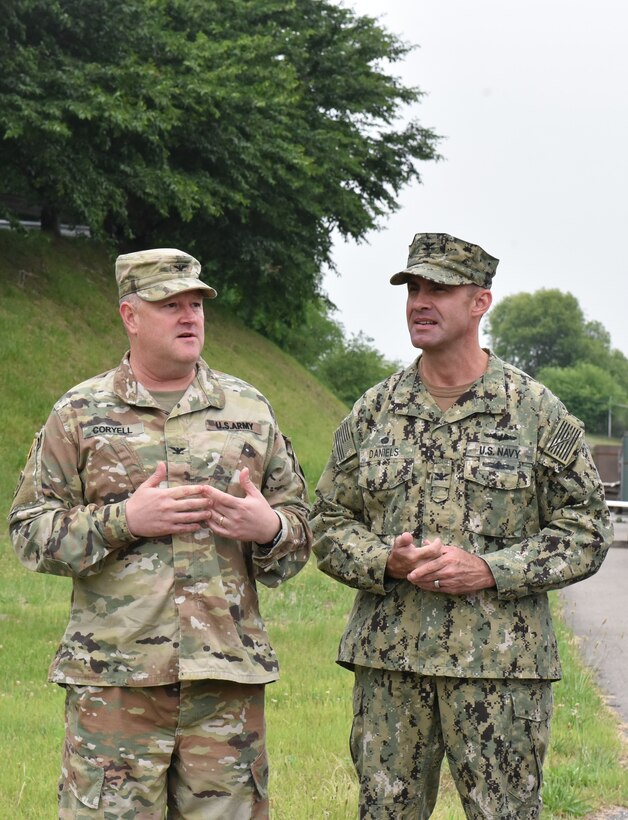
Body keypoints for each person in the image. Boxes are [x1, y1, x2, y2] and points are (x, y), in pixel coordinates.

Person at [310, 232, 613, 819]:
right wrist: (384, 560)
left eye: (440, 289)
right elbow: (327, 522)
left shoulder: (533, 411)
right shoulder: (374, 412)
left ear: (480, 303)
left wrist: (489, 570)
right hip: (390, 662)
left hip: (499, 667)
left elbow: (587, 530)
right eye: (413, 288)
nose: (421, 302)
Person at [9, 248, 312, 818]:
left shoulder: (249, 410)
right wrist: (124, 520)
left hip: (224, 685)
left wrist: (268, 528)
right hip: (116, 685)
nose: (189, 316)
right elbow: (28, 531)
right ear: (130, 315)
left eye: (196, 303)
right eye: (170, 304)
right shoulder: (80, 412)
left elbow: (300, 530)